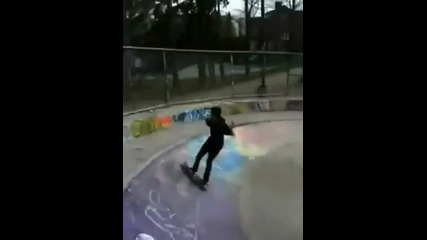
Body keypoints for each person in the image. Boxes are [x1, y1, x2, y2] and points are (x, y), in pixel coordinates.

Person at [191, 106, 234, 189]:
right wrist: (230, 128)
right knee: (204, 158)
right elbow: (229, 132)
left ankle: (199, 175)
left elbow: (209, 122)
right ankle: (200, 175)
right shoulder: (220, 122)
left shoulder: (218, 122)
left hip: (214, 143)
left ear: (215, 114)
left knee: (204, 158)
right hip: (215, 143)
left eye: (212, 113)